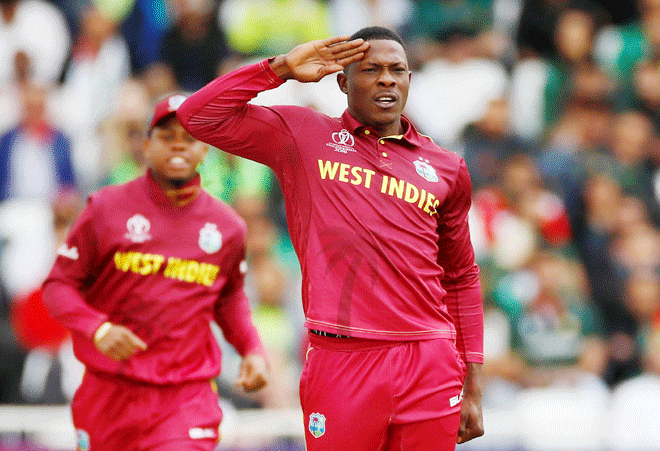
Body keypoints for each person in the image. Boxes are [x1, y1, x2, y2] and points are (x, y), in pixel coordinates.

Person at [178, 26, 484, 450]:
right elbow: (198, 116)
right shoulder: (303, 136)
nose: (386, 79)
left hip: (428, 358)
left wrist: (473, 382)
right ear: (342, 80)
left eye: (397, 69)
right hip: (342, 359)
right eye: (371, 69)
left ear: (410, 81)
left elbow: (462, 277)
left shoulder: (446, 167)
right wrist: (280, 68)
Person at [41, 93, 269, 451]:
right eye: (166, 136)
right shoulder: (105, 208)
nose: (178, 145)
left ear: (205, 151)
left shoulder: (227, 227)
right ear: (146, 146)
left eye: (190, 137)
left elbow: (229, 298)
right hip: (109, 395)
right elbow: (58, 286)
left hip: (185, 397)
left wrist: (252, 348)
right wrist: (97, 329)